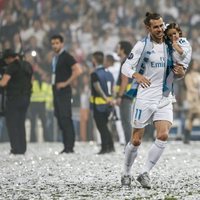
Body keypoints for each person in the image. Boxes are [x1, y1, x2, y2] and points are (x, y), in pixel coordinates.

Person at [120, 12, 186, 188]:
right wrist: (137, 75)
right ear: (148, 28)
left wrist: (181, 73)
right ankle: (126, 172)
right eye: (156, 26)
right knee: (136, 140)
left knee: (163, 135)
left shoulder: (169, 45)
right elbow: (125, 66)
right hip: (145, 97)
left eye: (161, 25)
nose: (160, 29)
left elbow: (178, 69)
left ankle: (145, 173)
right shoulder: (142, 45)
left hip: (164, 97)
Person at [50, 34, 82, 153]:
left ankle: (69, 146)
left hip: (64, 92)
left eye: (57, 43)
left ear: (62, 44)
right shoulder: (55, 57)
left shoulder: (66, 56)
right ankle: (66, 145)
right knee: (59, 117)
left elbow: (78, 70)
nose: (54, 45)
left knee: (65, 118)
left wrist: (66, 83)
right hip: (56, 91)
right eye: (53, 43)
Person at [0, 49, 33, 154]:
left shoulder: (12, 66)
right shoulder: (27, 65)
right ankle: (22, 148)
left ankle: (16, 148)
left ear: (9, 58)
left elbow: (3, 83)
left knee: (12, 124)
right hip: (26, 98)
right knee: (20, 123)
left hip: (14, 98)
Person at [158, 22, 192, 108]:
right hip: (175, 64)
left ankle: (166, 97)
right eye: (170, 35)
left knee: (169, 79)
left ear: (179, 32)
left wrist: (175, 45)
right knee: (167, 78)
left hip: (181, 66)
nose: (173, 36)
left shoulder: (183, 41)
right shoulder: (171, 42)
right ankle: (171, 96)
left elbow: (182, 53)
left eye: (174, 33)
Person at [90, 51, 115, 154]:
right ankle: (111, 146)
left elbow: (97, 88)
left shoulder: (95, 74)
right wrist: (111, 99)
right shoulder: (109, 73)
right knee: (105, 125)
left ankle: (105, 147)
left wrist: (105, 98)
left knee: (101, 127)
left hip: (99, 104)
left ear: (94, 60)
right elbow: (113, 88)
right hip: (109, 104)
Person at [116, 41, 133, 145]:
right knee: (126, 121)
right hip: (129, 94)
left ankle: (129, 145)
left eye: (118, 48)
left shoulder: (125, 62)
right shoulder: (129, 61)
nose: (117, 50)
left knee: (126, 121)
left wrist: (119, 96)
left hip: (125, 95)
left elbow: (124, 80)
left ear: (122, 49)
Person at [183, 60, 200, 144]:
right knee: (191, 118)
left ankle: (186, 137)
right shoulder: (188, 76)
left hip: (198, 99)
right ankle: (186, 137)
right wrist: (197, 91)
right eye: (195, 63)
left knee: (191, 119)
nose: (196, 65)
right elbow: (190, 87)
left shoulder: (198, 75)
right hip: (192, 99)